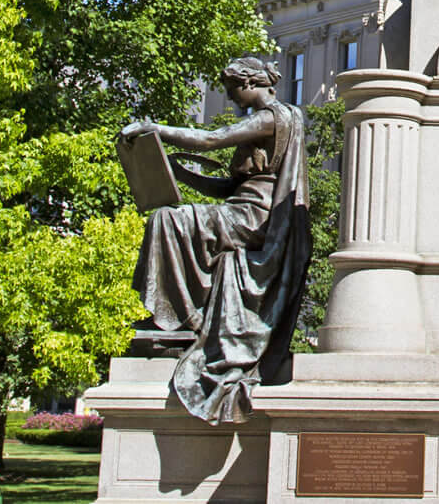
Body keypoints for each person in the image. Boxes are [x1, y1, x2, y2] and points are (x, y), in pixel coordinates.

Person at [120, 57, 312, 424]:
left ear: (250, 83)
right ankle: (175, 317)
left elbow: (211, 140)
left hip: (257, 218)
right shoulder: (259, 122)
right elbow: (229, 188)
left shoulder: (275, 117)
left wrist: (153, 129)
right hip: (241, 208)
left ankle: (176, 318)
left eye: (232, 90)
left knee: (169, 220)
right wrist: (180, 175)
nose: (231, 98)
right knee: (168, 215)